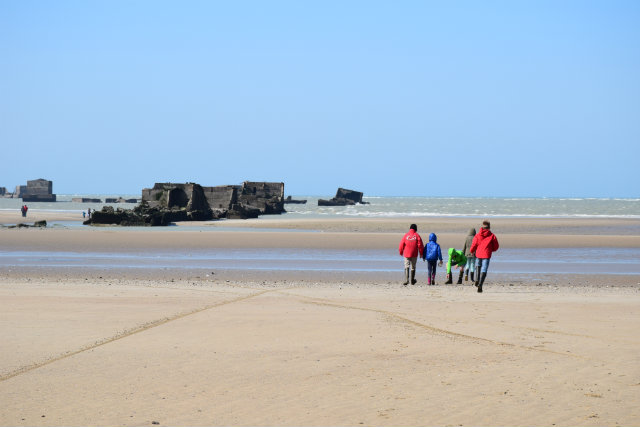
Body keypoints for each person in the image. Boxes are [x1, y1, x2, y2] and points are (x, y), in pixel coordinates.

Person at [470, 220, 500, 293]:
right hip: (486, 254)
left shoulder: (477, 235)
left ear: (482, 227)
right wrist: (491, 249)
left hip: (478, 253)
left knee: (478, 266)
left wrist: (471, 251)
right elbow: (496, 246)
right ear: (489, 227)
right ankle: (480, 284)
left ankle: (477, 279)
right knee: (484, 269)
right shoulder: (492, 235)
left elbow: (474, 244)